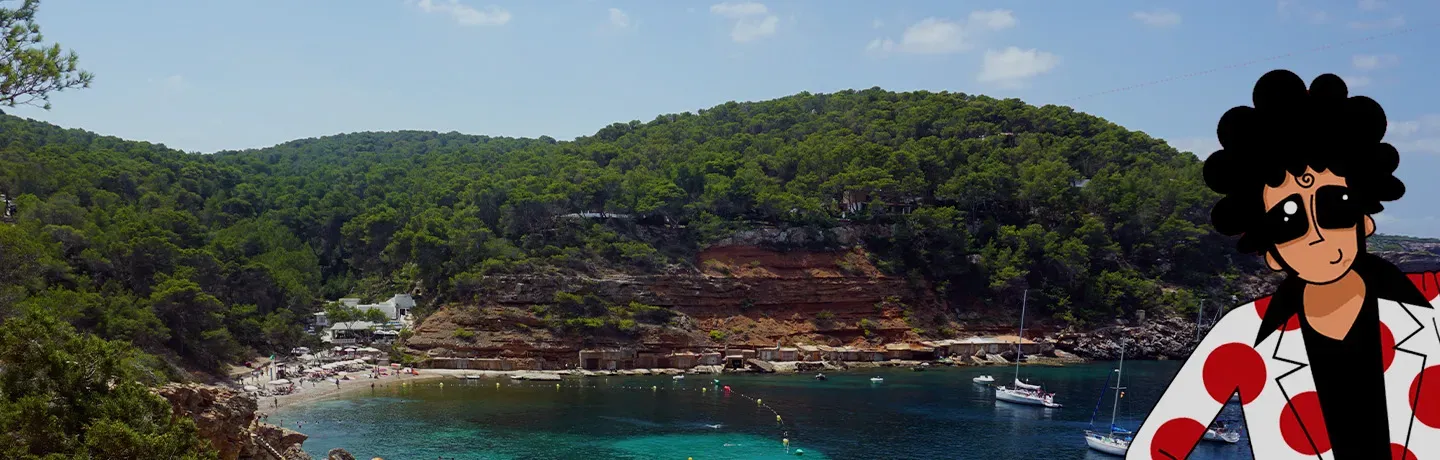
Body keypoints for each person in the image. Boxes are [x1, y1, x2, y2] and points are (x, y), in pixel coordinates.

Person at [1126, 70, 1439, 459]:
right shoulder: (1241, 338)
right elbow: (1156, 447)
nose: (1318, 233)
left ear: (1365, 219)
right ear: (1271, 252)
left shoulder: (1435, 306)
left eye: (1334, 206)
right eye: (1288, 222)